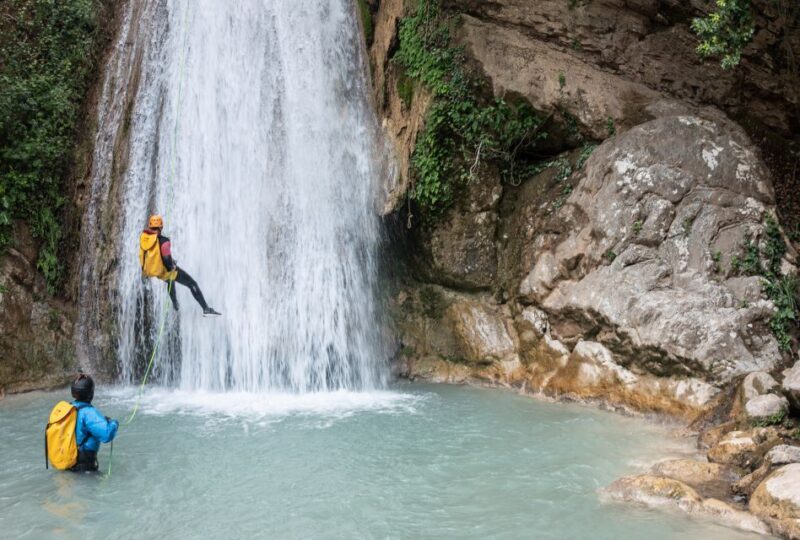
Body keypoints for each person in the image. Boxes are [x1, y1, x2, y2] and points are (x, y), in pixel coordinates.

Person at [139, 214, 221, 316]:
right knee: (191, 283)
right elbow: (167, 260)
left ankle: (175, 304)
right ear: (161, 226)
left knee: (170, 280)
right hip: (163, 271)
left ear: (150, 226)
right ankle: (206, 309)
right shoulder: (164, 241)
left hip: (151, 271)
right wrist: (172, 265)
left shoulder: (144, 239)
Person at [70, 374, 118, 472]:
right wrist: (114, 423)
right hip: (84, 468)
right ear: (91, 393)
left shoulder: (69, 408)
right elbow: (107, 434)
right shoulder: (89, 412)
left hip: (67, 464)